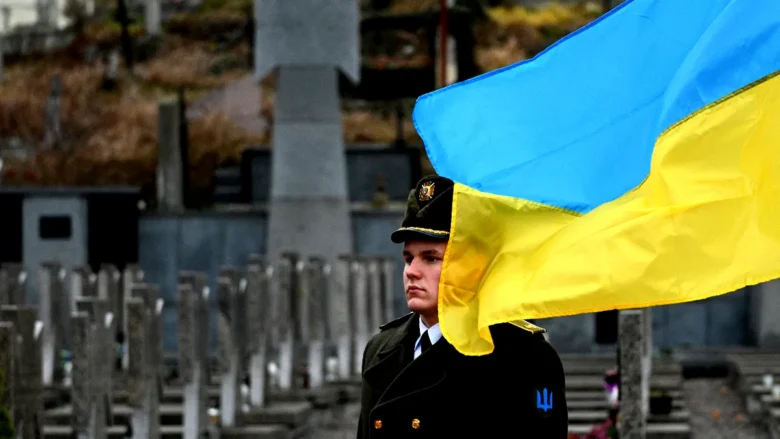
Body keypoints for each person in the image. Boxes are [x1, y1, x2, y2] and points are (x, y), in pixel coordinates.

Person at [357, 175, 569, 438]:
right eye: (409, 259)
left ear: (471, 266)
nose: (412, 271)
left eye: (431, 259)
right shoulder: (380, 349)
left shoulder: (523, 355)